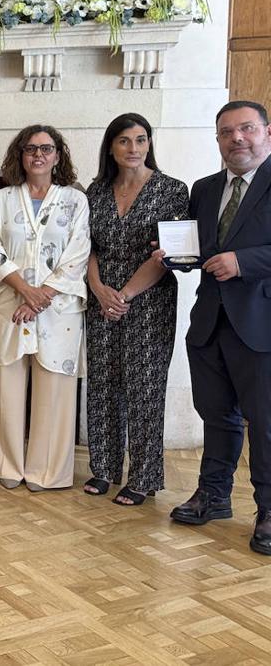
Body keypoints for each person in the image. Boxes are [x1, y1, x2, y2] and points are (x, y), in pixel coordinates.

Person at [169, 100, 271, 556]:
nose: (237, 139)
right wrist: (173, 255)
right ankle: (214, 495)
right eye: (227, 132)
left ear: (266, 132)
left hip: (261, 323)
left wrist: (242, 261)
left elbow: (236, 256)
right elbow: (200, 249)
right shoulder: (206, 189)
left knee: (266, 424)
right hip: (209, 321)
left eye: (246, 129)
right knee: (216, 414)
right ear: (217, 140)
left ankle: (268, 509)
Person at [83, 114, 188, 505]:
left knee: (144, 388)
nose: (133, 148)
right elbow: (86, 246)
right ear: (111, 146)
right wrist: (98, 289)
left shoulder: (171, 190)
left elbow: (168, 252)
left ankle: (143, 476)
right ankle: (104, 469)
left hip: (149, 299)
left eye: (141, 140)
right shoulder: (95, 192)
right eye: (124, 141)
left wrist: (124, 294)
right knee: (103, 384)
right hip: (100, 298)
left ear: (149, 144)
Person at [0, 125, 89, 492]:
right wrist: (26, 292)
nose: (38, 155)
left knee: (55, 390)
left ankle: (47, 471)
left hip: (57, 309)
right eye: (30, 149)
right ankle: (4, 463)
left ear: (58, 155)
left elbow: (78, 254)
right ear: (20, 156)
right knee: (5, 386)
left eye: (46, 148)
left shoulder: (76, 201)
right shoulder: (2, 199)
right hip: (10, 304)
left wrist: (41, 296)